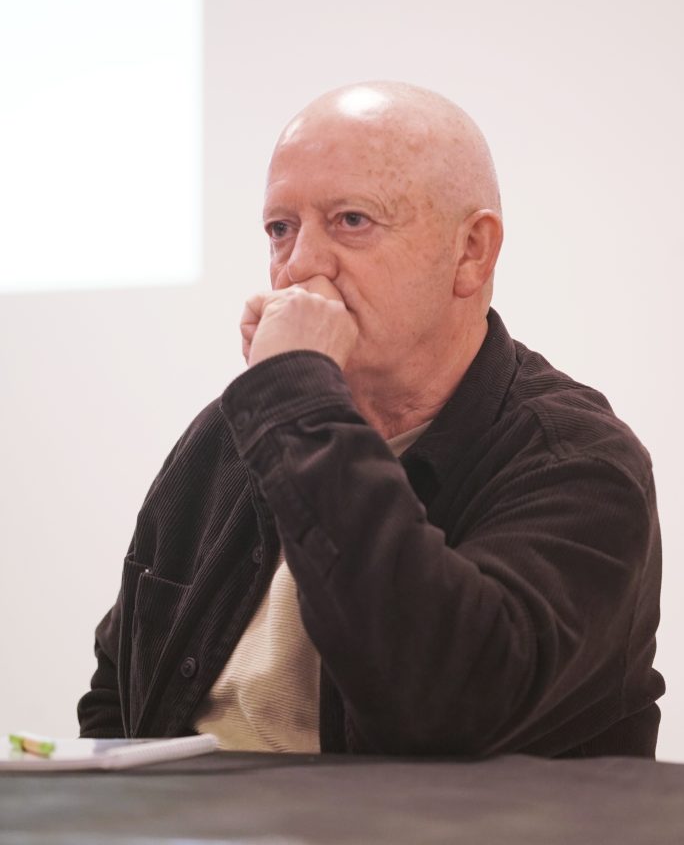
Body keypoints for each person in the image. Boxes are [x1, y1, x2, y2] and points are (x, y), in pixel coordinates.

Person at [78, 81, 665, 757]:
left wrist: (295, 400)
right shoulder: (228, 437)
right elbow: (117, 694)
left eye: (351, 220)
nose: (298, 266)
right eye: (280, 229)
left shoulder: (578, 462)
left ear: (472, 251)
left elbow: (440, 706)